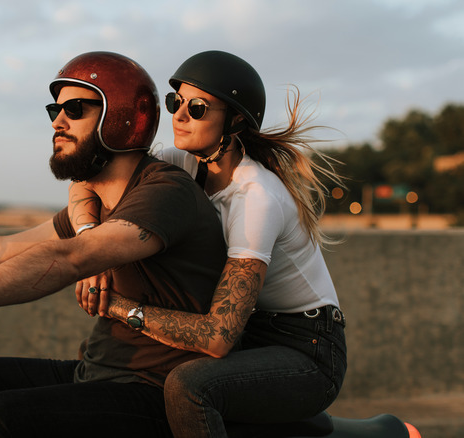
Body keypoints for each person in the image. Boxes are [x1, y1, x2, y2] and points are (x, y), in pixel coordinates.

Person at [0, 51, 227, 438]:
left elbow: (69, 259)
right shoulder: (96, 205)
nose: (58, 122)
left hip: (150, 394)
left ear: (121, 116)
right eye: (55, 110)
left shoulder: (165, 192)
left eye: (75, 108)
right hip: (93, 373)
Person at [68, 50, 347, 438]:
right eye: (175, 102)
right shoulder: (179, 163)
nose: (179, 115)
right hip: (250, 335)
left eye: (197, 107)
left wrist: (118, 307)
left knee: (189, 387)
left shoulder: (255, 197)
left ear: (234, 119)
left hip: (306, 349)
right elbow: (88, 175)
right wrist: (90, 245)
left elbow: (217, 338)